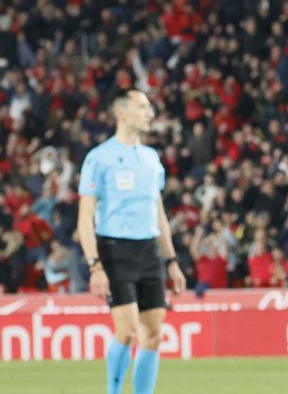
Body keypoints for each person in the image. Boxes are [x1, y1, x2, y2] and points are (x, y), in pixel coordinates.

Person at [78, 89, 186, 394]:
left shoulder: (152, 159)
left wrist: (172, 261)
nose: (150, 113)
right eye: (143, 107)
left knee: (152, 335)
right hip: (115, 250)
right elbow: (85, 218)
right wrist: (94, 265)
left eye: (150, 107)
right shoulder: (99, 159)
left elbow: (159, 213)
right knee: (125, 331)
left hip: (149, 250)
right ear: (121, 113)